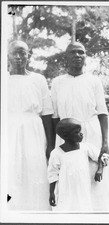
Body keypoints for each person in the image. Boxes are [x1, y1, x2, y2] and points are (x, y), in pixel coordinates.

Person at [51, 42, 109, 211]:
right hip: (66, 137)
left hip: (90, 133)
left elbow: (102, 112)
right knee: (69, 176)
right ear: (66, 57)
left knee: (94, 177)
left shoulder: (94, 80)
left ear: (85, 57)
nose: (77, 55)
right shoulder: (57, 82)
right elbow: (55, 116)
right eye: (73, 52)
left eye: (81, 52)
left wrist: (105, 143)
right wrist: (56, 143)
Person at [7, 40, 53, 210]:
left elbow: (47, 114)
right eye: (14, 53)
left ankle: (36, 212)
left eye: (22, 53)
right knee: (11, 171)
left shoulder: (38, 79)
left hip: (34, 131)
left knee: (35, 170)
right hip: (8, 132)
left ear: (28, 55)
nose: (18, 57)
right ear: (7, 56)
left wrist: (50, 145)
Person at [48, 118, 108, 211]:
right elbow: (52, 175)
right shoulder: (56, 153)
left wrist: (100, 169)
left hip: (83, 186)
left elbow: (102, 156)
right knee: (68, 209)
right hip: (66, 189)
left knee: (83, 207)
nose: (81, 134)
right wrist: (51, 193)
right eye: (77, 132)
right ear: (66, 136)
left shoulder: (85, 147)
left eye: (80, 131)